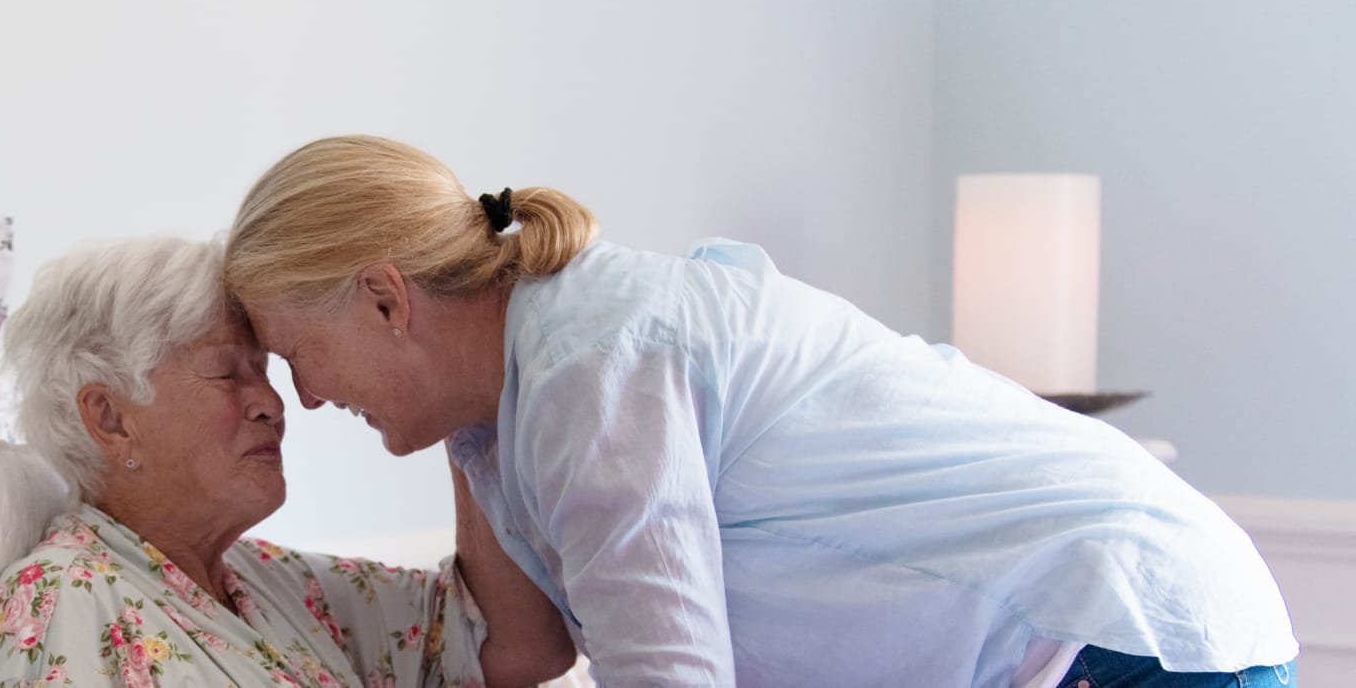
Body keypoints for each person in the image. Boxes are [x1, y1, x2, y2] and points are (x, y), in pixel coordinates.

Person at [221, 135, 1300, 687]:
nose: (307, 397)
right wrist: (445, 422)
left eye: (297, 356)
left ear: (382, 297)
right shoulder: (504, 404)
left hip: (1124, 631)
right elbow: (528, 649)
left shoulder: (595, 370)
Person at [0, 235, 574, 688]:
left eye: (263, 370)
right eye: (228, 373)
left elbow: (516, 643)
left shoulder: (265, 581)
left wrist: (457, 391)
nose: (272, 404)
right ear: (110, 419)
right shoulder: (58, 600)